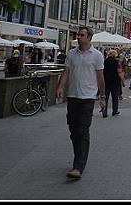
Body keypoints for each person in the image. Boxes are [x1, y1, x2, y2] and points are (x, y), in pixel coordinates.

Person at [56, 26, 105, 180]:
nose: (79, 37)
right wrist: (61, 87)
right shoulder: (71, 54)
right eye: (78, 34)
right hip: (73, 96)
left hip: (88, 97)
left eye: (82, 35)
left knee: (82, 130)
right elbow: (66, 72)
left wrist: (102, 96)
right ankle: (78, 157)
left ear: (89, 37)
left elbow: (100, 77)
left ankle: (78, 166)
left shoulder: (97, 55)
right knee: (73, 130)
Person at [102, 49, 124, 117]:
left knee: (105, 97)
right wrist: (122, 81)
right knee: (115, 98)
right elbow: (119, 72)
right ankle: (115, 111)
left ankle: (104, 112)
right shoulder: (117, 62)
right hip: (115, 82)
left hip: (106, 81)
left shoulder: (104, 62)